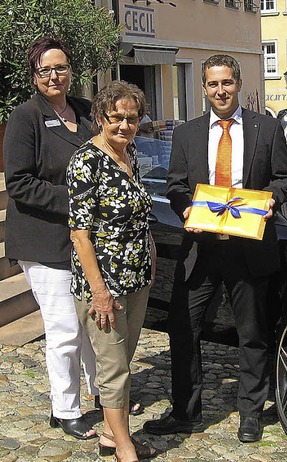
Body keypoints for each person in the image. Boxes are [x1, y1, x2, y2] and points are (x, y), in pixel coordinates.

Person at [143, 54, 287, 443]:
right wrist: (186, 206)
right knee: (184, 330)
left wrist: (267, 201)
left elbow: (285, 179)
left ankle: (250, 413)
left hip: (249, 247)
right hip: (201, 248)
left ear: (238, 83)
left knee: (252, 333)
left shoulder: (267, 128)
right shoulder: (187, 134)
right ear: (204, 88)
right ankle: (184, 411)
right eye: (212, 84)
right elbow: (175, 185)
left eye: (226, 83)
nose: (220, 91)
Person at [3, 37, 99, 440]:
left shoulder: (86, 111)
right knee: (64, 328)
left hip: (88, 240)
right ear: (34, 75)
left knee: (95, 322)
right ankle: (65, 408)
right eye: (45, 70)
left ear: (71, 70)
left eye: (60, 68)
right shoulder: (25, 118)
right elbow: (20, 183)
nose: (54, 76)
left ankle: (104, 394)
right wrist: (77, 199)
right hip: (44, 240)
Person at [67, 80, 157, 462]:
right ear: (100, 118)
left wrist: (149, 252)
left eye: (131, 118)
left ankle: (109, 433)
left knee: (124, 360)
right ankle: (124, 447)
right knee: (113, 368)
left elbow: (138, 214)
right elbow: (79, 235)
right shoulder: (86, 162)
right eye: (116, 117)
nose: (124, 125)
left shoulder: (129, 153)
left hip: (136, 278)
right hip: (103, 285)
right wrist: (99, 292)